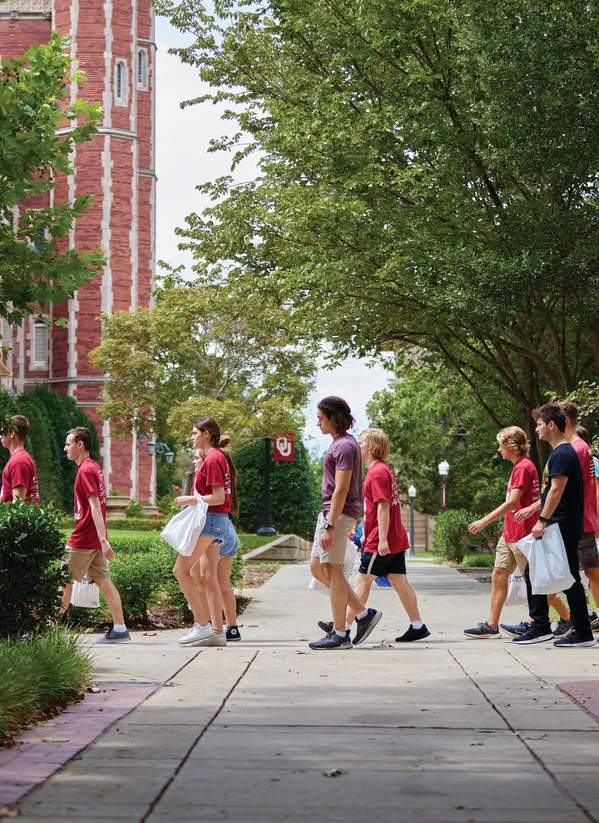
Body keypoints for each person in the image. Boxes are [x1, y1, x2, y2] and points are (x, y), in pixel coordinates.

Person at [513, 404, 593, 647]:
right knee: (546, 573)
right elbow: (551, 491)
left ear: (551, 425)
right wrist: (538, 512)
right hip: (560, 524)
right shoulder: (561, 453)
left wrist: (542, 520)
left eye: (539, 424)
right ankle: (549, 627)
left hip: (560, 525)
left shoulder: (561, 454)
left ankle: (569, 631)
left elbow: (557, 490)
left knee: (564, 577)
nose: (536, 429)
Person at [308, 397, 381, 650]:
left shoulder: (345, 447)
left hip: (337, 515)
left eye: (320, 418)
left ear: (333, 417)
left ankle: (340, 634)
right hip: (331, 513)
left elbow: (341, 489)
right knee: (318, 568)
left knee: (334, 571)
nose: (317, 423)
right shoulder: (341, 444)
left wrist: (329, 524)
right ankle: (362, 613)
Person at [463, 426, 540, 638]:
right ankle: (491, 626)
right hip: (510, 533)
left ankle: (560, 619)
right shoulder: (518, 467)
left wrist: (484, 521)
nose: (499, 450)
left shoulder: (523, 467)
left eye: (502, 445)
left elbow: (512, 502)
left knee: (534, 581)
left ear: (513, 447)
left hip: (523, 534)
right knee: (498, 575)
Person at [354, 428, 429, 642]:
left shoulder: (376, 472)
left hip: (381, 539)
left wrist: (382, 539)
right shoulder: (384, 469)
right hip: (394, 537)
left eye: (361, 443)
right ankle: (418, 626)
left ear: (371, 447)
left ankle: (343, 628)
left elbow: (383, 506)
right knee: (399, 581)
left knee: (362, 580)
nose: (359, 446)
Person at [173, 417, 238, 647]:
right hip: (215, 522)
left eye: (194, 433)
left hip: (210, 523)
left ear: (207, 434)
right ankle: (218, 632)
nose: (191, 437)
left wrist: (192, 499)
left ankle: (201, 625)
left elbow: (219, 497)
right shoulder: (216, 457)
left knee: (180, 570)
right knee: (207, 577)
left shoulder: (212, 459)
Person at [61, 427, 130, 643]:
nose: (65, 448)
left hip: (84, 538)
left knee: (62, 580)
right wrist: (101, 539)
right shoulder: (93, 468)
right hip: (93, 538)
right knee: (103, 580)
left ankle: (45, 630)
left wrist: (103, 540)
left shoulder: (85, 471)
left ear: (80, 445)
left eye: (68, 444)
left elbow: (95, 506)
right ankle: (120, 628)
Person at [0, 415, 40, 504]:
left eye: (2, 432)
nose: (0, 436)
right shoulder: (20, 458)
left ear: (11, 434)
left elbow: (18, 505)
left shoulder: (18, 462)